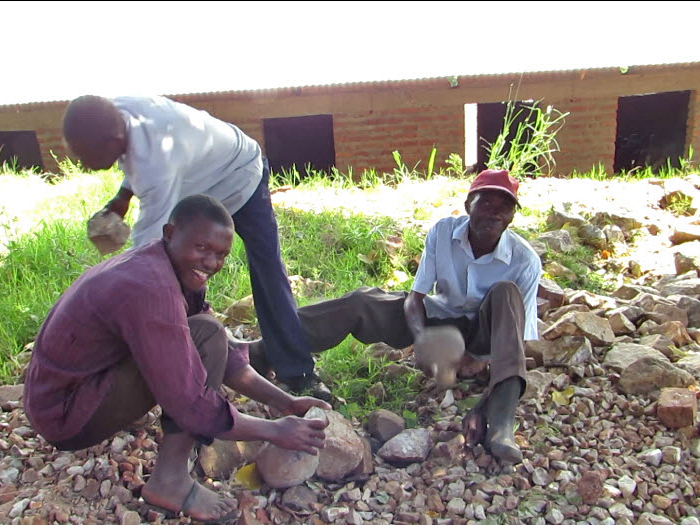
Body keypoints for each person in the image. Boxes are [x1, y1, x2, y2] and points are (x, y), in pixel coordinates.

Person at [23, 194, 331, 524]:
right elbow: (191, 403)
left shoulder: (173, 266)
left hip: (72, 390)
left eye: (221, 255)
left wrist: (284, 401)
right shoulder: (151, 288)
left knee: (209, 332)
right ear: (170, 233)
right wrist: (273, 431)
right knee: (206, 337)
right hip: (64, 414)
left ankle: (170, 469)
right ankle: (170, 481)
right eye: (202, 248)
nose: (212, 263)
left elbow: (222, 354)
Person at [250, 169, 541, 463]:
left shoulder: (525, 261)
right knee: (362, 301)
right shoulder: (444, 232)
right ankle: (265, 349)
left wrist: (482, 399)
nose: (494, 214)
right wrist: (423, 341)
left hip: (483, 337)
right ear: (468, 206)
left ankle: (501, 425)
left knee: (506, 292)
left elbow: (518, 341)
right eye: (486, 204)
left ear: (513, 216)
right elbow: (415, 299)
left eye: (504, 208)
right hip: (437, 321)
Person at [61, 94, 329, 400]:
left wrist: (111, 298)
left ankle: (297, 372)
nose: (82, 165)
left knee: (266, 272)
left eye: (84, 156)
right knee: (182, 271)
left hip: (242, 174)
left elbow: (144, 252)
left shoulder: (154, 162)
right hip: (199, 181)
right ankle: (209, 363)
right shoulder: (119, 115)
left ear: (111, 141)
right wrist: (123, 198)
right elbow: (134, 156)